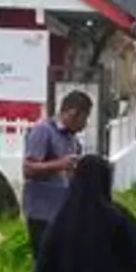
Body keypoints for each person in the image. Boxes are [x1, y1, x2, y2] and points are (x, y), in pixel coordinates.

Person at [22, 90, 91, 257]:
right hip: (41, 211)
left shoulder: (71, 139)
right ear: (73, 113)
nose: (85, 123)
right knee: (43, 260)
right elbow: (28, 169)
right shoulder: (43, 131)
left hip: (61, 210)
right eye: (85, 117)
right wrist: (60, 164)